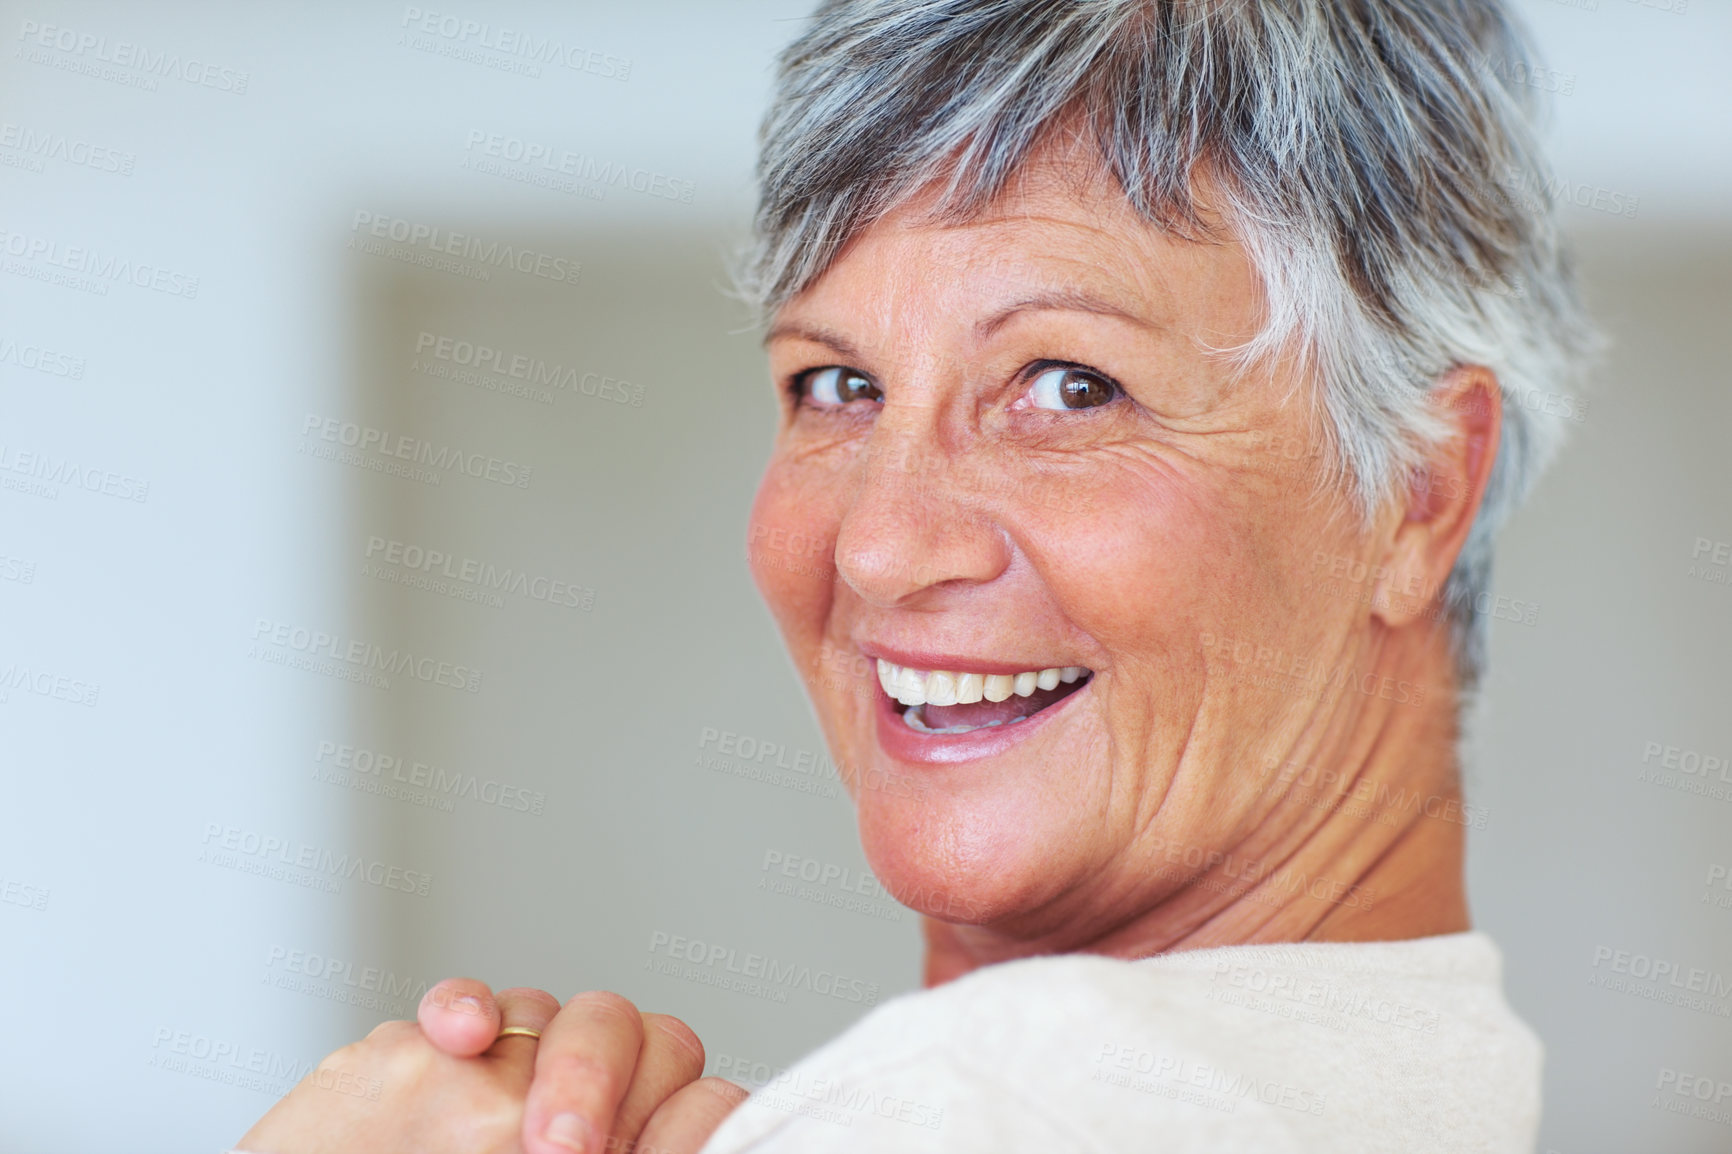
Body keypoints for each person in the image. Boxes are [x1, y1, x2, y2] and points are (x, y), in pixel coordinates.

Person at [236, 0, 1594, 1150]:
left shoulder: (989, 1102)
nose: (882, 542)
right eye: (837, 382)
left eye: (1070, 385)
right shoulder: (1433, 1066)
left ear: (1420, 489)